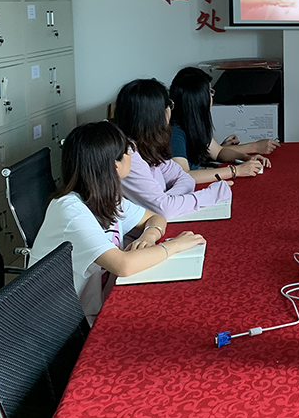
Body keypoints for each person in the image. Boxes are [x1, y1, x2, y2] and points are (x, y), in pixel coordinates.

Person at [29, 121, 205, 322]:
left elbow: (155, 217)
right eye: (129, 151)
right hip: (56, 323)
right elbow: (123, 265)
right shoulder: (71, 211)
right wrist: (175, 246)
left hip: (85, 307)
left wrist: (148, 236)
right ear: (116, 165)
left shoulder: (103, 196)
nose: (133, 155)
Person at [114, 78, 234, 219]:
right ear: (160, 114)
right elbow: (164, 209)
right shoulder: (127, 154)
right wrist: (213, 194)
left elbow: (186, 179)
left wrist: (168, 200)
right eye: (169, 105)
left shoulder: (148, 144)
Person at [169, 66, 278, 183]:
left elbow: (219, 152)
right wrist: (236, 170)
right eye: (210, 92)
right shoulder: (175, 132)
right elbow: (185, 176)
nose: (212, 97)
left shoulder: (195, 124)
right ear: (199, 98)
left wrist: (247, 158)